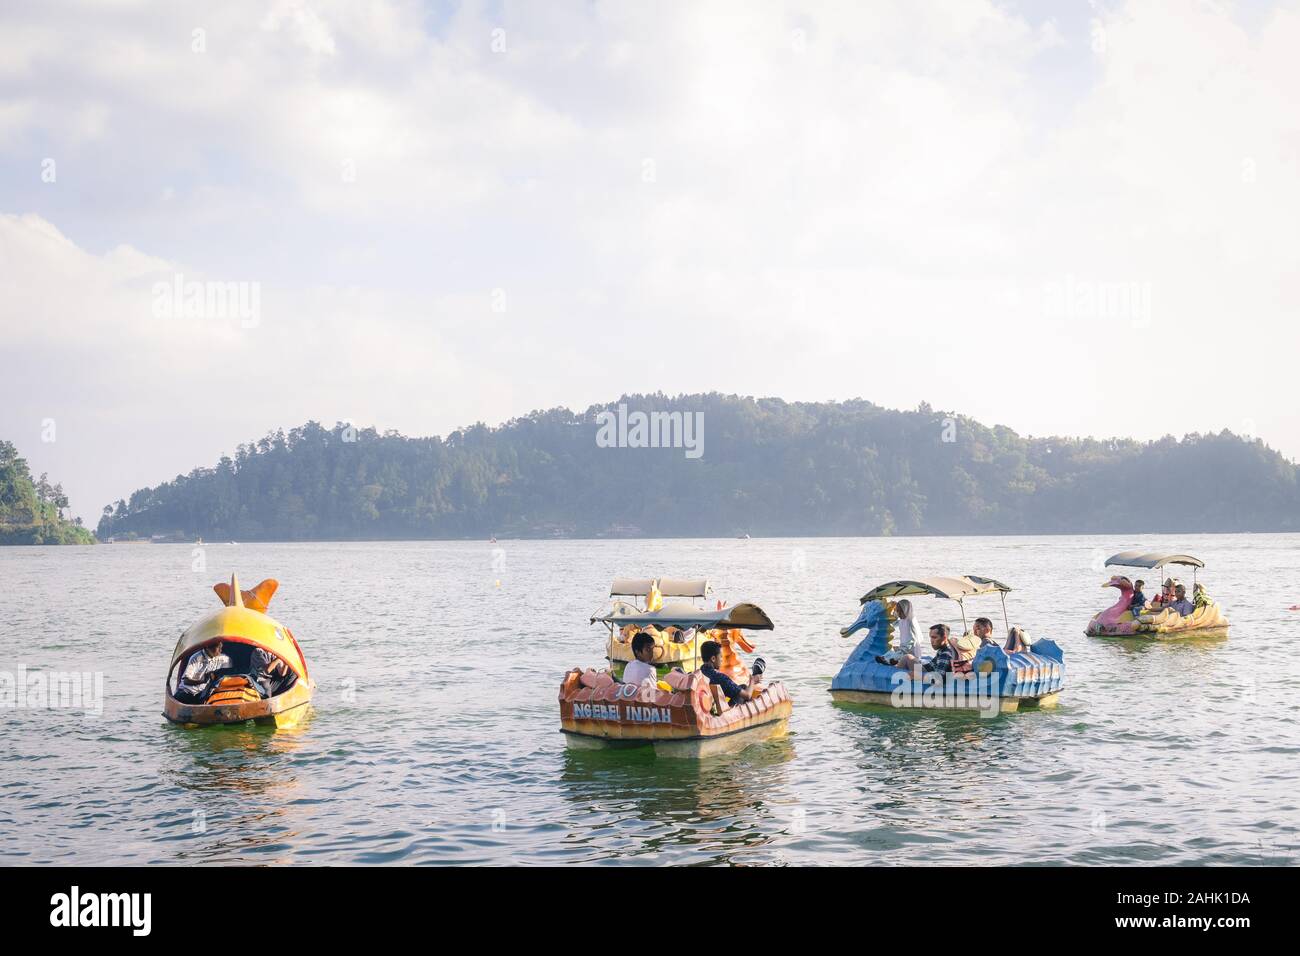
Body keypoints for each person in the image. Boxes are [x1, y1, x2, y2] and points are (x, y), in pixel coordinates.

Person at [699, 640, 756, 707]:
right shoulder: (720, 678)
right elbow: (747, 695)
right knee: (744, 692)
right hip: (723, 713)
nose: (722, 659)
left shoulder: (699, 673)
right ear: (713, 659)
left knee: (743, 687)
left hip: (707, 707)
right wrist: (752, 681)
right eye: (720, 656)